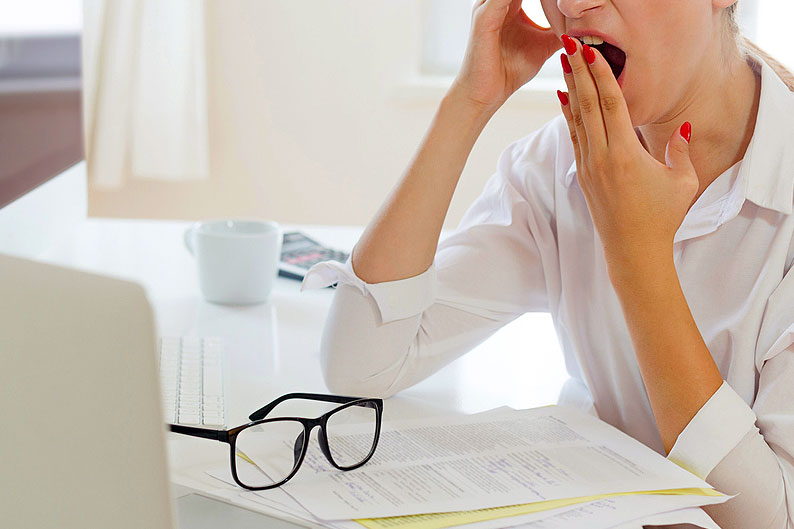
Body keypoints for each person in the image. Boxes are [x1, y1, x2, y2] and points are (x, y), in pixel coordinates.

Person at [301, 1, 794, 527]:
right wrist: (469, 102)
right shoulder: (559, 163)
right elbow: (361, 366)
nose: (570, 5)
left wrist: (638, 257)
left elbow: (770, 517)